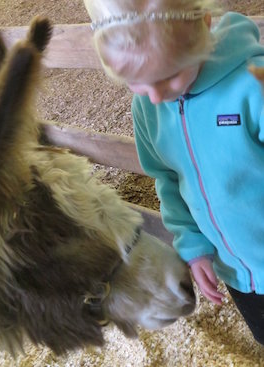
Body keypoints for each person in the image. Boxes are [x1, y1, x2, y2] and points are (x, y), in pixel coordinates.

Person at [84, 0, 264, 345]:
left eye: (169, 76)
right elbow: (168, 178)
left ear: (204, 28)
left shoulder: (252, 88)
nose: (155, 97)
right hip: (239, 275)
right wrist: (193, 246)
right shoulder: (149, 109)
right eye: (136, 83)